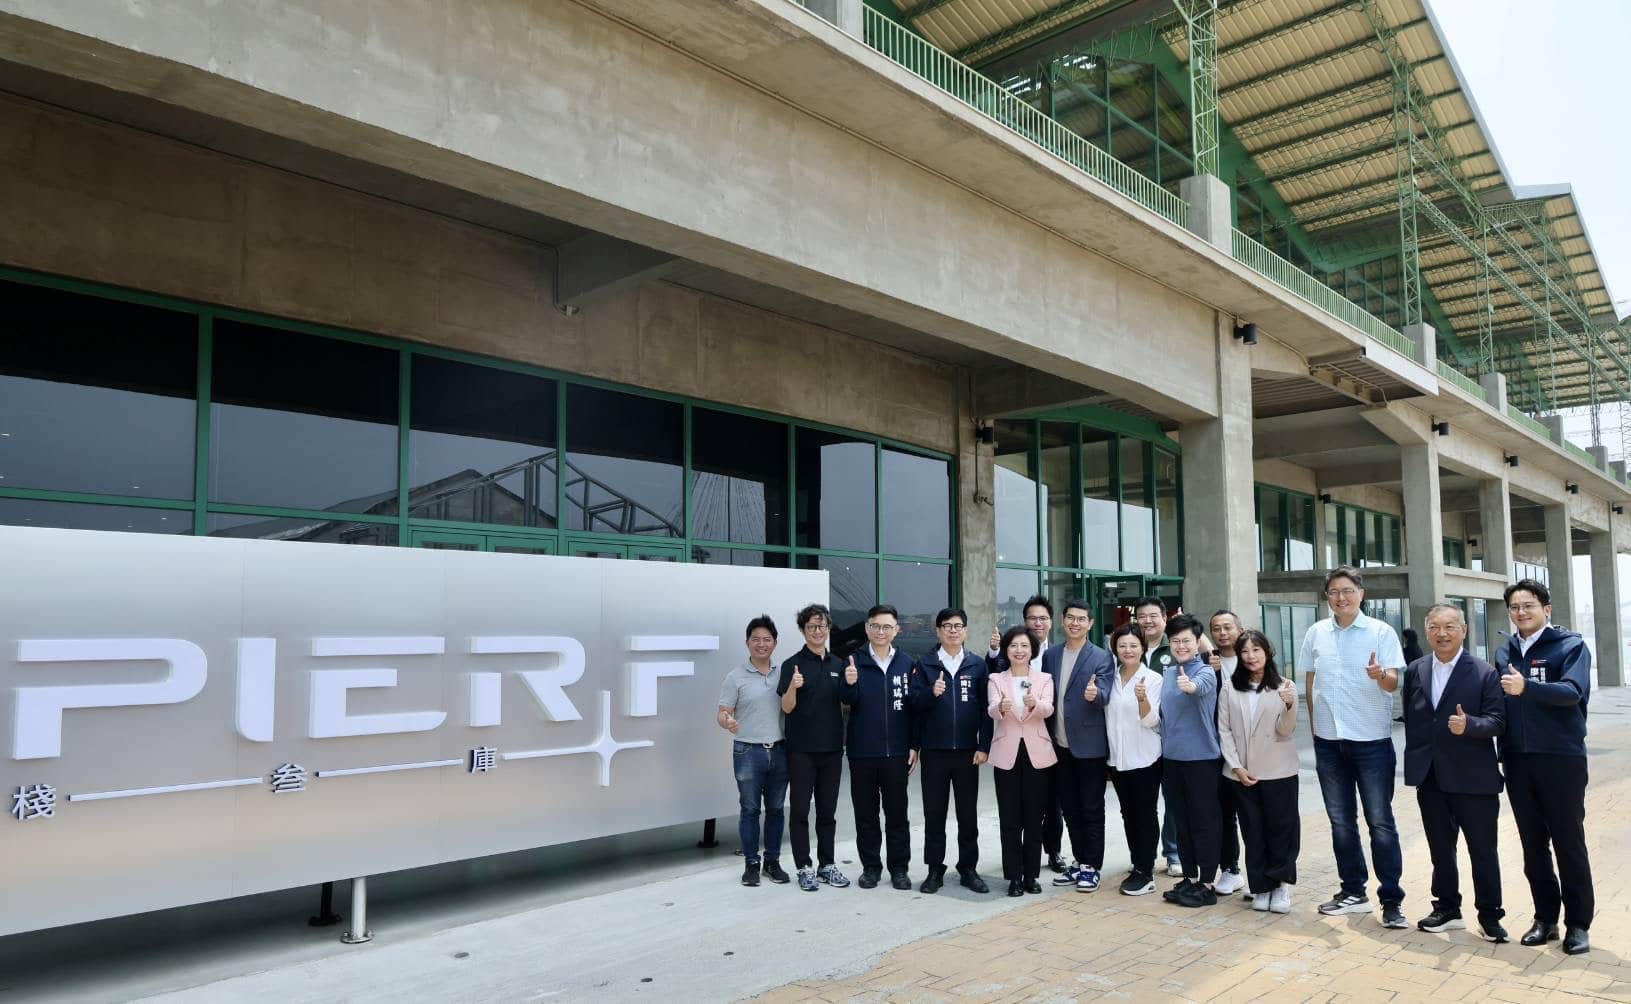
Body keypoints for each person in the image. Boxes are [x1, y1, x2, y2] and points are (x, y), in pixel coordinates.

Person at [1299, 566, 1407, 928]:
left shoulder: (1381, 632)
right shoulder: (1316, 633)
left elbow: (1393, 684)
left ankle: (1391, 900)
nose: (1341, 597)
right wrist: (1316, 727)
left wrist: (1380, 675)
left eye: (1347, 591)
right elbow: (1311, 680)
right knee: (1341, 822)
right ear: (1326, 597)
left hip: (1371, 742)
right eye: (1334, 592)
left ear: (1361, 594)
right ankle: (1353, 892)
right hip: (1329, 743)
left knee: (1380, 822)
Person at [1496, 579, 1594, 955]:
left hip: (1561, 759)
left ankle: (1578, 924)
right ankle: (1546, 919)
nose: (1521, 612)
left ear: (1546, 609)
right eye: (1515, 607)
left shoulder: (1571, 646)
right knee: (1532, 845)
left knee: (1568, 842)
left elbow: (1573, 692)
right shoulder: (1505, 650)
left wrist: (1528, 688)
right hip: (1518, 760)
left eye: (1529, 606)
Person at [1401, 604, 1507, 943]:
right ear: (1426, 631)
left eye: (1449, 626)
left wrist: (1470, 725)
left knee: (1483, 850)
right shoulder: (1415, 670)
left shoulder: (1484, 672)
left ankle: (1490, 915)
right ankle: (1447, 908)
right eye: (1435, 627)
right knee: (1440, 849)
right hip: (1431, 775)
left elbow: (1498, 721)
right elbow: (1413, 717)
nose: (1442, 633)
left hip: (1474, 778)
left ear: (1464, 630)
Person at [910, 607, 992, 894]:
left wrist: (984, 746)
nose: (953, 631)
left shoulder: (977, 665)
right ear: (938, 631)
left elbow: (986, 709)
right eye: (947, 626)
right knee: (934, 814)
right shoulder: (925, 664)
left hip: (968, 752)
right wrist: (931, 693)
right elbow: (913, 704)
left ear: (965, 631)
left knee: (968, 815)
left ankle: (968, 868)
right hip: (935, 752)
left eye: (958, 626)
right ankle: (935, 869)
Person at [839, 603, 920, 891]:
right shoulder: (854, 660)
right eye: (875, 626)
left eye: (887, 627)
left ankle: (899, 869)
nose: (881, 631)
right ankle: (871, 868)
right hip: (862, 752)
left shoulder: (907, 663)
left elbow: (914, 709)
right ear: (867, 628)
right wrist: (849, 684)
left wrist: (914, 745)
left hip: (896, 753)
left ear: (896, 630)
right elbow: (847, 701)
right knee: (866, 816)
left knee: (897, 815)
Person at [1217, 629, 1300, 914]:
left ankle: (1280, 886)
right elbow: (1224, 729)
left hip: (1279, 771)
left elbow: (1286, 730)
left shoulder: (1285, 686)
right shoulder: (1230, 687)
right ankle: (1260, 887)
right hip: (1242, 773)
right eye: (1245, 651)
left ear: (1267, 652)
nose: (1251, 656)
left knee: (1281, 830)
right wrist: (1236, 766)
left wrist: (1289, 705)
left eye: (1256, 650)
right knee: (1253, 832)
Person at [1039, 597, 1116, 892]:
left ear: (1090, 623)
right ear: (1062, 620)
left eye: (1081, 619)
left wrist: (1095, 695)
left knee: (1091, 808)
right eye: (1070, 617)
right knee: (1069, 808)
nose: (1075, 623)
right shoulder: (1051, 655)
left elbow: (1105, 693)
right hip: (1059, 745)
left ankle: (1091, 866)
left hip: (1089, 747)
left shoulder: (1101, 657)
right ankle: (1080, 860)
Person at [988, 595, 1066, 874]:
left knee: (1045, 808)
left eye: (1043, 618)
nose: (1038, 622)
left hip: (1046, 742)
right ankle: (1014, 872)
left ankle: (1047, 857)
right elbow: (991, 704)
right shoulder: (999, 672)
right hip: (1009, 747)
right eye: (1032, 618)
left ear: (1051, 622)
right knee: (1011, 815)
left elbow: (1050, 705)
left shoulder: (1053, 661)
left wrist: (1036, 704)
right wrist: (999, 706)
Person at [778, 603, 851, 892]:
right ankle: (803, 867)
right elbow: (786, 707)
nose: (817, 631)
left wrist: (851, 684)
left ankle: (827, 865)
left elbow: (847, 702)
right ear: (803, 630)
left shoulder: (838, 665)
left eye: (822, 626)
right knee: (799, 811)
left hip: (832, 749)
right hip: (801, 751)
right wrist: (793, 687)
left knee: (827, 812)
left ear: (828, 628)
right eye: (811, 627)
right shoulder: (792, 665)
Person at [717, 615, 791, 887]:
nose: (761, 644)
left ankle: (772, 862)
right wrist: (727, 721)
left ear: (775, 643)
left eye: (767, 639)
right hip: (748, 751)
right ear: (747, 642)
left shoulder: (784, 673)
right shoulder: (735, 677)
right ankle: (751, 864)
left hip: (780, 750)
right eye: (756, 639)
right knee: (749, 809)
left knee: (776, 809)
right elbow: (722, 713)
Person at [1159, 613, 1222, 908]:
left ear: (1197, 643)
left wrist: (1191, 686)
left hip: (1202, 760)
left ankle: (1207, 882)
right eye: (1175, 641)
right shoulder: (1169, 673)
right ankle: (1189, 876)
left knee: (1204, 821)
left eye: (1186, 640)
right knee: (1181, 821)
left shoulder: (1205, 671)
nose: (1181, 646)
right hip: (1172, 759)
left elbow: (1200, 687)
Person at [1104, 622, 1163, 896]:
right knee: (1128, 812)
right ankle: (1137, 861)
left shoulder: (1153, 679)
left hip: (1145, 758)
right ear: (1115, 648)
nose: (1128, 650)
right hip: (1118, 758)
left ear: (1143, 648)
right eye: (1122, 645)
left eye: (1133, 645)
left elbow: (1152, 721)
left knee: (1145, 813)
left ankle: (1145, 871)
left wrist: (1142, 700)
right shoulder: (1110, 678)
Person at [1132, 596, 1183, 878]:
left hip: (1171, 735)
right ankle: (1143, 855)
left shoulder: (1175, 646)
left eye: (1153, 616)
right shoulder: (1129, 647)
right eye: (1142, 616)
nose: (1147, 621)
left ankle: (1173, 852)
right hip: (1139, 735)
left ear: (1165, 618)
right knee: (1142, 802)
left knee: (1173, 799)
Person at [1205, 610, 1247, 897]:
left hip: (1251, 749)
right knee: (1224, 814)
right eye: (1216, 628)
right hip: (1217, 750)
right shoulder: (1206, 663)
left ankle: (1263, 874)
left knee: (1254, 815)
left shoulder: (1251, 658)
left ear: (1239, 629)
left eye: (1227, 627)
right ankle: (1230, 869)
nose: (1222, 633)